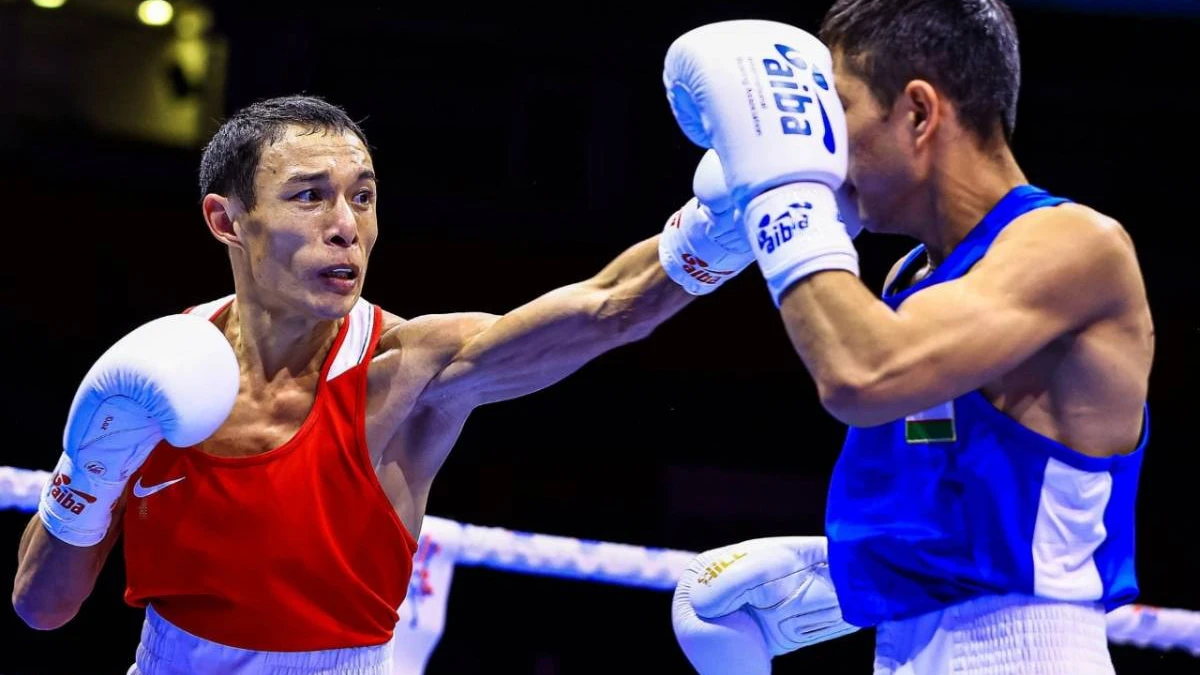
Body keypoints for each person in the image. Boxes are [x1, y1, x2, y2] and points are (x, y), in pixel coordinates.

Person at [11, 95, 755, 674]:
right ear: (227, 220)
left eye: (363, 197)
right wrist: (89, 473)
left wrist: (713, 235)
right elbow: (42, 607)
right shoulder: (157, 369)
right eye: (310, 196)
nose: (347, 226)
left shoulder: (409, 367)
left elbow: (606, 309)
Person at [664, 3, 1153, 674]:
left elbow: (863, 375)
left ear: (918, 113)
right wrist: (842, 573)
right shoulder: (913, 276)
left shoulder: (1073, 245)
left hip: (1032, 655)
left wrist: (782, 194)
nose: (825, 149)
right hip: (907, 651)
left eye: (838, 109)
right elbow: (963, 496)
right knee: (709, 605)